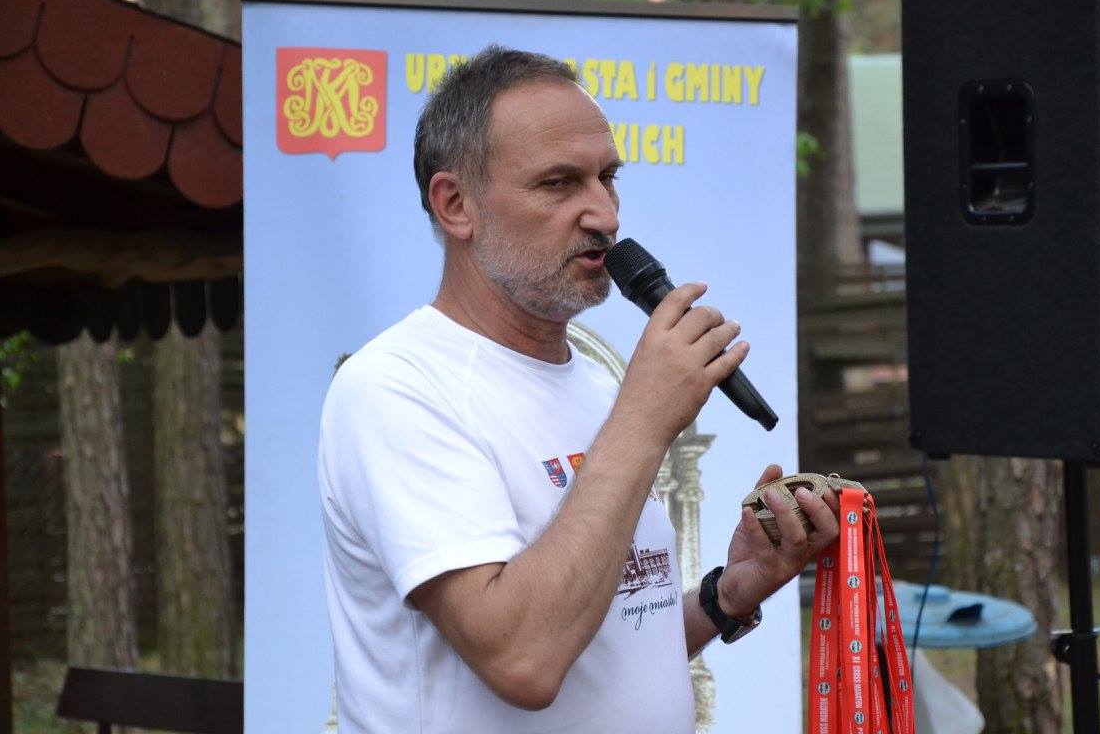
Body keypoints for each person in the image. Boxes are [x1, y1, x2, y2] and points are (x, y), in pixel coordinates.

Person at [318, 45, 839, 734]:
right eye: (560, 183)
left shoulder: (597, 384)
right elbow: (524, 661)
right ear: (456, 205)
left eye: (607, 177)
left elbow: (608, 644)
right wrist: (644, 421)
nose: (605, 215)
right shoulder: (395, 388)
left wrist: (728, 596)